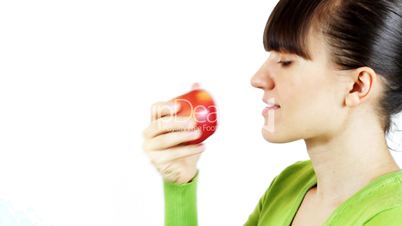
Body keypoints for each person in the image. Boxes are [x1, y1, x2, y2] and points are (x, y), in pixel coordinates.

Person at [142, 0, 402, 225]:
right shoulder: (289, 185)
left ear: (358, 86)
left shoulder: (393, 215)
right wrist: (179, 183)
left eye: (286, 61)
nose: (258, 78)